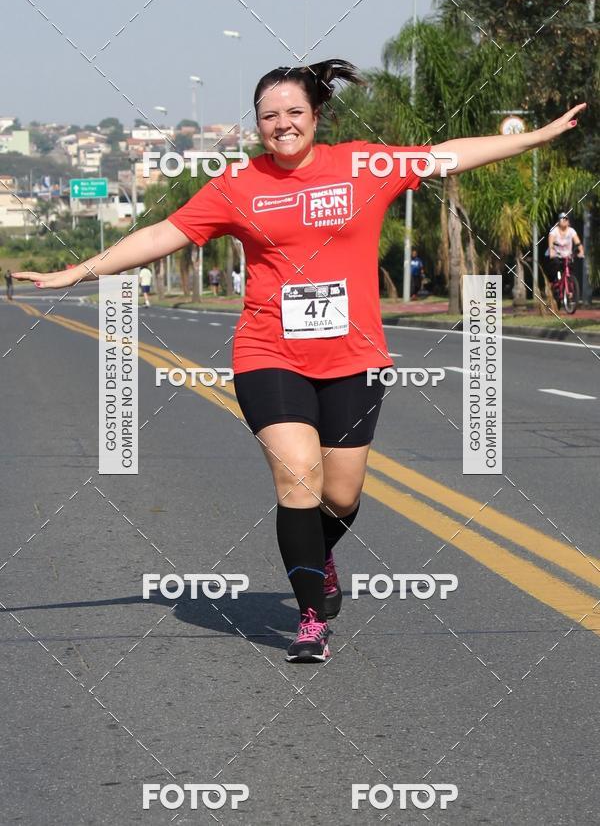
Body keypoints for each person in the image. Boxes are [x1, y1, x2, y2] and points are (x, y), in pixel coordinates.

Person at [12, 61, 586, 663]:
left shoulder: (364, 165)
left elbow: (447, 154)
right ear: (257, 123)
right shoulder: (237, 184)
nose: (281, 126)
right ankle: (310, 617)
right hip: (268, 353)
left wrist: (536, 136)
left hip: (354, 357)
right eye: (268, 117)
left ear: (316, 116)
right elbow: (163, 234)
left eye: (293, 113)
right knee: (298, 478)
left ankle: (320, 553)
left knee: (339, 497)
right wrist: (79, 270)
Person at [544, 212, 584, 290]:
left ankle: (570, 288)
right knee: (555, 266)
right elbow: (551, 242)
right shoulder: (554, 231)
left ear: (568, 221)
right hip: (555, 255)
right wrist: (552, 252)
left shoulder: (571, 231)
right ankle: (553, 283)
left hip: (566, 255)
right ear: (558, 221)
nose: (564, 220)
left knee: (570, 268)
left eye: (566, 219)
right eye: (562, 219)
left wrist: (581, 251)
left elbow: (578, 242)